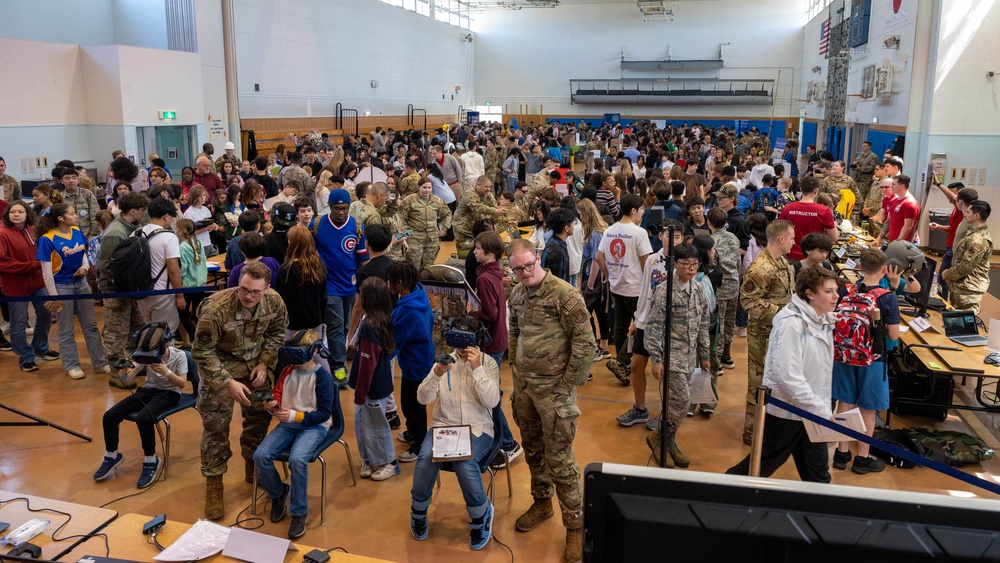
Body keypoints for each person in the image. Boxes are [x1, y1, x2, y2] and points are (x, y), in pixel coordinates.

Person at [507, 238, 595, 563]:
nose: (526, 272)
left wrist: (567, 383)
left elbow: (585, 344)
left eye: (529, 265)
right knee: (532, 450)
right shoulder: (517, 294)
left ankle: (574, 525)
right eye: (518, 269)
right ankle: (542, 502)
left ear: (538, 258)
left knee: (561, 460)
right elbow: (514, 331)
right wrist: (516, 368)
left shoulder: (565, 295)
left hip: (555, 394)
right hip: (525, 390)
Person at [726, 266, 839, 482]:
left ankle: (818, 512)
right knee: (757, 468)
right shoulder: (791, 325)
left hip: (811, 412)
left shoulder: (823, 320)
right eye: (829, 291)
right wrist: (819, 410)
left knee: (818, 477)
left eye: (836, 290)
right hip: (789, 415)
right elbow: (788, 377)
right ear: (810, 294)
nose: (836, 296)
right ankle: (718, 497)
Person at [195, 261, 288, 520]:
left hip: (255, 369)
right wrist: (227, 381)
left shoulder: (274, 302)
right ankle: (214, 484)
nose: (248, 296)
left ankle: (253, 465)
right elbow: (202, 351)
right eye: (244, 289)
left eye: (255, 292)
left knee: (258, 421)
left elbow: (277, 333)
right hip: (220, 372)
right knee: (215, 429)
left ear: (266, 288)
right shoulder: (216, 309)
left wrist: (265, 362)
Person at [408, 343, 499, 550]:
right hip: (444, 426)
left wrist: (478, 369)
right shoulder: (444, 361)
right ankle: (418, 511)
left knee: (463, 462)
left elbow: (492, 401)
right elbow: (422, 398)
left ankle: (481, 514)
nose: (461, 347)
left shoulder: (488, 362)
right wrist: (437, 373)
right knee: (425, 457)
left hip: (478, 428)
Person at [254, 329, 335, 539]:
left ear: (313, 351)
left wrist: (295, 416)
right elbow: (279, 396)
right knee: (260, 455)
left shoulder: (322, 377)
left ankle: (299, 512)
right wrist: (272, 405)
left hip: (314, 426)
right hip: (289, 423)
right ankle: (279, 493)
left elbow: (324, 414)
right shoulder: (288, 371)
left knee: (298, 459)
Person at [831, 249, 901, 475]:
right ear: (883, 270)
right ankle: (862, 457)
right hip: (873, 359)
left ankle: (841, 454)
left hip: (843, 355)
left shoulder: (845, 290)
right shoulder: (887, 297)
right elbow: (893, 336)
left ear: (860, 267)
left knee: (845, 403)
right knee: (868, 408)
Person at [93, 323, 188, 488]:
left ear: (166, 344)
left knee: (144, 418)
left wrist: (166, 371)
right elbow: (127, 379)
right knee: (109, 416)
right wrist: (123, 369)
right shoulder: (147, 354)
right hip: (149, 391)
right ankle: (112, 455)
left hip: (170, 393)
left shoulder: (179, 356)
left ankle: (151, 459)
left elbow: (182, 384)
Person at [643, 243, 712, 467]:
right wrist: (656, 359)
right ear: (675, 265)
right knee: (681, 403)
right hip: (671, 356)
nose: (692, 268)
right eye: (686, 264)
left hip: (690, 356)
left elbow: (703, 324)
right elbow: (654, 327)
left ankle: (662, 439)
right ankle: (664, 439)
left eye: (695, 264)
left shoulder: (699, 290)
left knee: (678, 403)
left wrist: (704, 354)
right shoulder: (665, 291)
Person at [616, 219, 683, 428]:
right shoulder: (653, 260)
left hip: (672, 325)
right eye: (666, 234)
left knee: (668, 372)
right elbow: (645, 290)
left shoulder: (684, 263)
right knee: (636, 365)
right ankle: (640, 409)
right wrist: (637, 318)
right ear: (660, 236)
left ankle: (666, 415)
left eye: (677, 236)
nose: (671, 239)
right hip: (648, 322)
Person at [36, 203, 110, 380]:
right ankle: (72, 365)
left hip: (81, 283)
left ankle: (99, 362)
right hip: (61, 286)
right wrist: (54, 297)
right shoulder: (47, 239)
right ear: (61, 218)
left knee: (90, 325)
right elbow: (46, 272)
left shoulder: (76, 230)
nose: (76, 216)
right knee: (66, 327)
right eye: (72, 213)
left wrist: (85, 267)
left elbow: (83, 253)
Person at [739, 219, 796, 445]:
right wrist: (783, 313)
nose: (794, 241)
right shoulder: (761, 268)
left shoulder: (782, 262)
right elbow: (749, 302)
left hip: (779, 333)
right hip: (763, 335)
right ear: (781, 238)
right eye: (791, 237)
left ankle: (768, 428)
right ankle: (752, 433)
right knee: (759, 384)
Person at [597, 194, 652, 385]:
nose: (643, 213)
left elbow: (599, 257)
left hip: (617, 285)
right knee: (640, 325)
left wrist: (611, 275)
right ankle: (621, 361)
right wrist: (649, 287)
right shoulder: (639, 233)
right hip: (636, 288)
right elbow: (647, 262)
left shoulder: (610, 230)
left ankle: (623, 364)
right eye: (642, 209)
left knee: (620, 325)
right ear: (634, 210)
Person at [317, 189, 369, 386]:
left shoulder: (356, 226)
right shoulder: (318, 224)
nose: (341, 212)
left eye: (344, 208)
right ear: (329, 207)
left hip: (351, 284)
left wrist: (365, 286)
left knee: (347, 325)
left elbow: (363, 259)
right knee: (336, 326)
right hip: (329, 285)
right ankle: (338, 367)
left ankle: (337, 355)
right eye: (337, 208)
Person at [350, 278, 399, 482]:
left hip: (372, 387)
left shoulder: (372, 326)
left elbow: (368, 365)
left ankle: (388, 461)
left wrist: (361, 393)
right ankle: (369, 458)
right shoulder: (378, 319)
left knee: (375, 425)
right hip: (373, 385)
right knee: (362, 422)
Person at [386, 261, 435, 463]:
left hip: (416, 364)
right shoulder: (418, 294)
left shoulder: (409, 312)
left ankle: (420, 443)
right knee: (408, 402)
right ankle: (412, 432)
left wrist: (379, 359)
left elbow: (394, 342)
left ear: (399, 283)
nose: (387, 284)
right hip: (417, 359)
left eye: (390, 281)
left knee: (415, 406)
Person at [0, 201, 58, 372]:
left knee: (46, 315)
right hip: (15, 286)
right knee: (18, 323)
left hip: (37, 282)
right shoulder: (2, 233)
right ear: (7, 215)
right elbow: (3, 262)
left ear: (27, 214)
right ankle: (25, 356)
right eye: (13, 212)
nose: (16, 214)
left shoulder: (33, 229)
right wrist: (32, 265)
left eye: (20, 211)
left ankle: (41, 346)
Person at [135, 198, 185, 333]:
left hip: (142, 292)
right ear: (166, 216)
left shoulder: (136, 233)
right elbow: (173, 269)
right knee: (164, 337)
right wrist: (179, 295)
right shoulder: (169, 237)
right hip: (163, 293)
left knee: (148, 334)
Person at [941, 201, 993, 315]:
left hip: (969, 289)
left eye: (968, 212)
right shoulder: (973, 233)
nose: (965, 214)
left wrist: (947, 273)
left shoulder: (978, 240)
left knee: (964, 323)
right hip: (962, 286)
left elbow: (966, 267)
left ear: (976, 216)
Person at [928, 184, 977, 300]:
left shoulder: (965, 213)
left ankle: (941, 304)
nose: (949, 197)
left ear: (960, 200)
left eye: (954, 194)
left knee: (943, 279)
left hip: (955, 252)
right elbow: (954, 228)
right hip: (950, 248)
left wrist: (939, 184)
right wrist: (938, 226)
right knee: (945, 279)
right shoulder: (958, 209)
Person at [706, 208, 740, 374]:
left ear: (709, 222)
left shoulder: (711, 242)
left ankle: (717, 360)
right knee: (730, 321)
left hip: (719, 287)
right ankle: (727, 355)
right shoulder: (733, 238)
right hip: (734, 284)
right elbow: (738, 262)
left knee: (718, 323)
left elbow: (712, 265)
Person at [580, 198, 611, 361]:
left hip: (595, 278)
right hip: (599, 278)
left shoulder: (595, 234)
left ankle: (596, 348)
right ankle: (603, 347)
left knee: (586, 312)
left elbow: (595, 261)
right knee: (600, 311)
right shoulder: (599, 230)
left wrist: (590, 285)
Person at [777, 176, 838, 260]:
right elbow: (834, 238)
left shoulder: (787, 209)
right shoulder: (824, 211)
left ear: (801, 190)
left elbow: (779, 233)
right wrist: (834, 225)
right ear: (816, 191)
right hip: (813, 258)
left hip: (791, 255)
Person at [399, 175, 451, 271]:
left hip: (432, 240)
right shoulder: (409, 200)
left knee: (428, 268)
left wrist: (444, 229)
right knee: (413, 267)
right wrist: (406, 232)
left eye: (429, 188)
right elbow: (400, 218)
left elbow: (447, 214)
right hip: (415, 239)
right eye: (424, 187)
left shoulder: (437, 201)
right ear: (419, 187)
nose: (427, 190)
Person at [453, 175, 505, 258]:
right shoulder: (469, 194)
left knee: (479, 248)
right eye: (486, 187)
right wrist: (495, 211)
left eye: (490, 187)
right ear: (478, 185)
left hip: (476, 228)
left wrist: (503, 219)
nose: (488, 189)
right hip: (463, 229)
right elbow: (477, 207)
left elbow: (495, 209)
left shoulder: (488, 195)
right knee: (465, 248)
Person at [541, 208, 575, 283]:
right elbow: (556, 283)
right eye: (572, 223)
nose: (573, 225)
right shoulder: (556, 252)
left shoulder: (555, 243)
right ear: (566, 228)